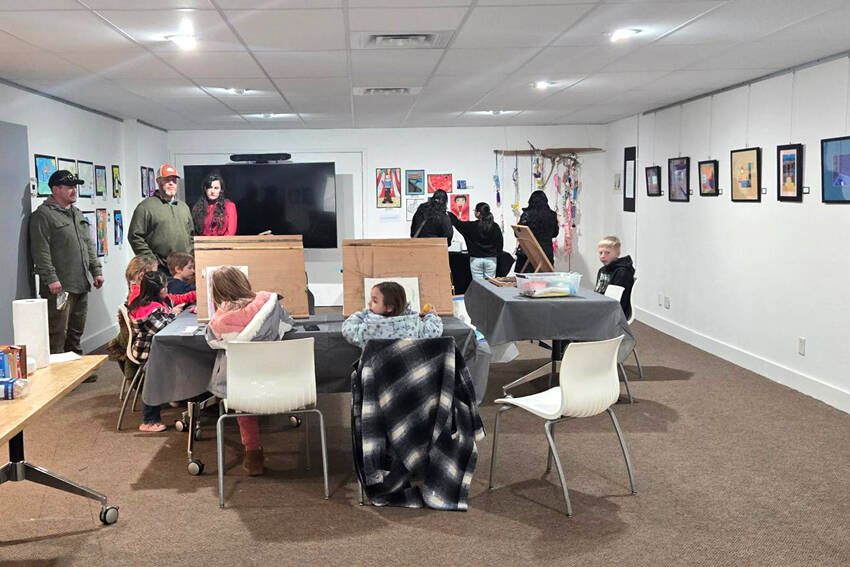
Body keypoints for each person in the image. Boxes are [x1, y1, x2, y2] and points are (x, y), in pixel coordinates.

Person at [205, 266, 295, 476]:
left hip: (246, 385)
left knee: (241, 397)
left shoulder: (220, 322)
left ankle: (253, 453)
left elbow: (211, 338)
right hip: (283, 379)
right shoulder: (269, 302)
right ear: (244, 282)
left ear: (217, 292)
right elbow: (289, 324)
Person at [29, 170, 105, 354]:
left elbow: (88, 244)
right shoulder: (43, 215)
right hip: (60, 286)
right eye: (69, 187)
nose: (74, 190)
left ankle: (77, 368)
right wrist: (51, 278)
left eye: (75, 187)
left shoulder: (76, 214)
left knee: (76, 331)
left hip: (80, 282)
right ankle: (58, 376)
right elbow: (41, 251)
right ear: (55, 189)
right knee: (58, 332)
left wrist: (96, 270)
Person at [129, 271, 190, 432]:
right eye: (164, 287)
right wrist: (174, 314)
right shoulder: (147, 309)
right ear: (156, 290)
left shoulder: (159, 301)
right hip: (148, 351)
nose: (167, 290)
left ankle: (180, 395)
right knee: (157, 374)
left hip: (158, 347)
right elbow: (163, 328)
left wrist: (172, 312)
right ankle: (149, 420)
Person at [128, 164, 194, 267]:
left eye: (174, 180)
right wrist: (152, 261)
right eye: (167, 180)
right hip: (161, 268)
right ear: (158, 181)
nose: (171, 183)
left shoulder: (184, 207)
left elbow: (191, 236)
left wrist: (191, 257)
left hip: (184, 268)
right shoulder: (146, 207)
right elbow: (135, 237)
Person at [342, 282, 443, 348]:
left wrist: (364, 313)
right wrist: (431, 315)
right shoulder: (413, 324)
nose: (369, 303)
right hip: (409, 376)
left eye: (374, 301)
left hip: (377, 377)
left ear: (389, 307)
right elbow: (434, 330)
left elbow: (348, 328)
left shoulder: (369, 327)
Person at [450, 202, 503, 279]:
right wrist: (496, 254)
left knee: (478, 285)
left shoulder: (471, 226)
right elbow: (500, 243)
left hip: (475, 260)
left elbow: (458, 224)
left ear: (478, 213)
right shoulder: (495, 226)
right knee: (491, 285)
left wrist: (449, 214)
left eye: (475, 210)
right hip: (491, 259)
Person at [515, 190, 559, 273]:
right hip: (545, 253)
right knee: (545, 281)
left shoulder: (526, 214)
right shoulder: (552, 215)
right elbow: (555, 233)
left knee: (526, 282)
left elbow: (517, 233)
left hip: (528, 252)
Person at [594, 235, 635, 319]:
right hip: (600, 307)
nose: (602, 256)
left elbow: (618, 300)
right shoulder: (602, 270)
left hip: (613, 313)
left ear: (617, 254)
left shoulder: (622, 272)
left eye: (607, 252)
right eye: (600, 253)